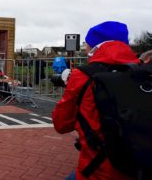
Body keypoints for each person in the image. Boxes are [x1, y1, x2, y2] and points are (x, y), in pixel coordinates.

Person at [52, 21, 140, 180]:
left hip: (98, 170)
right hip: (139, 166)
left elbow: (61, 124)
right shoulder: (143, 73)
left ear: (94, 46)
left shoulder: (83, 75)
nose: (85, 49)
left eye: (86, 44)